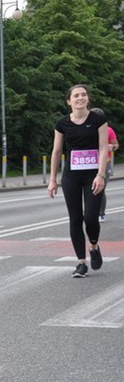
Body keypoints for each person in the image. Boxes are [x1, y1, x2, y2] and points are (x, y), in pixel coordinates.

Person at [47, 84, 109, 278]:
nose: (80, 98)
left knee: (91, 217)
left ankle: (94, 246)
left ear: (88, 99)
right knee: (75, 219)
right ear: (69, 101)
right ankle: (81, 263)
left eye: (83, 95)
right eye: (76, 95)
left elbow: (103, 147)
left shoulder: (98, 119)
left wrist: (100, 174)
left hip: (93, 175)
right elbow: (57, 151)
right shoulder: (62, 123)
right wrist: (52, 180)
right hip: (71, 176)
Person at [91, 108, 117, 223]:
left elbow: (116, 144)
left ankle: (101, 213)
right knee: (88, 189)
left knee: (100, 188)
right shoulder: (87, 129)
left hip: (105, 163)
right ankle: (90, 212)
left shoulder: (108, 130)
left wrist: (112, 146)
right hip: (90, 163)